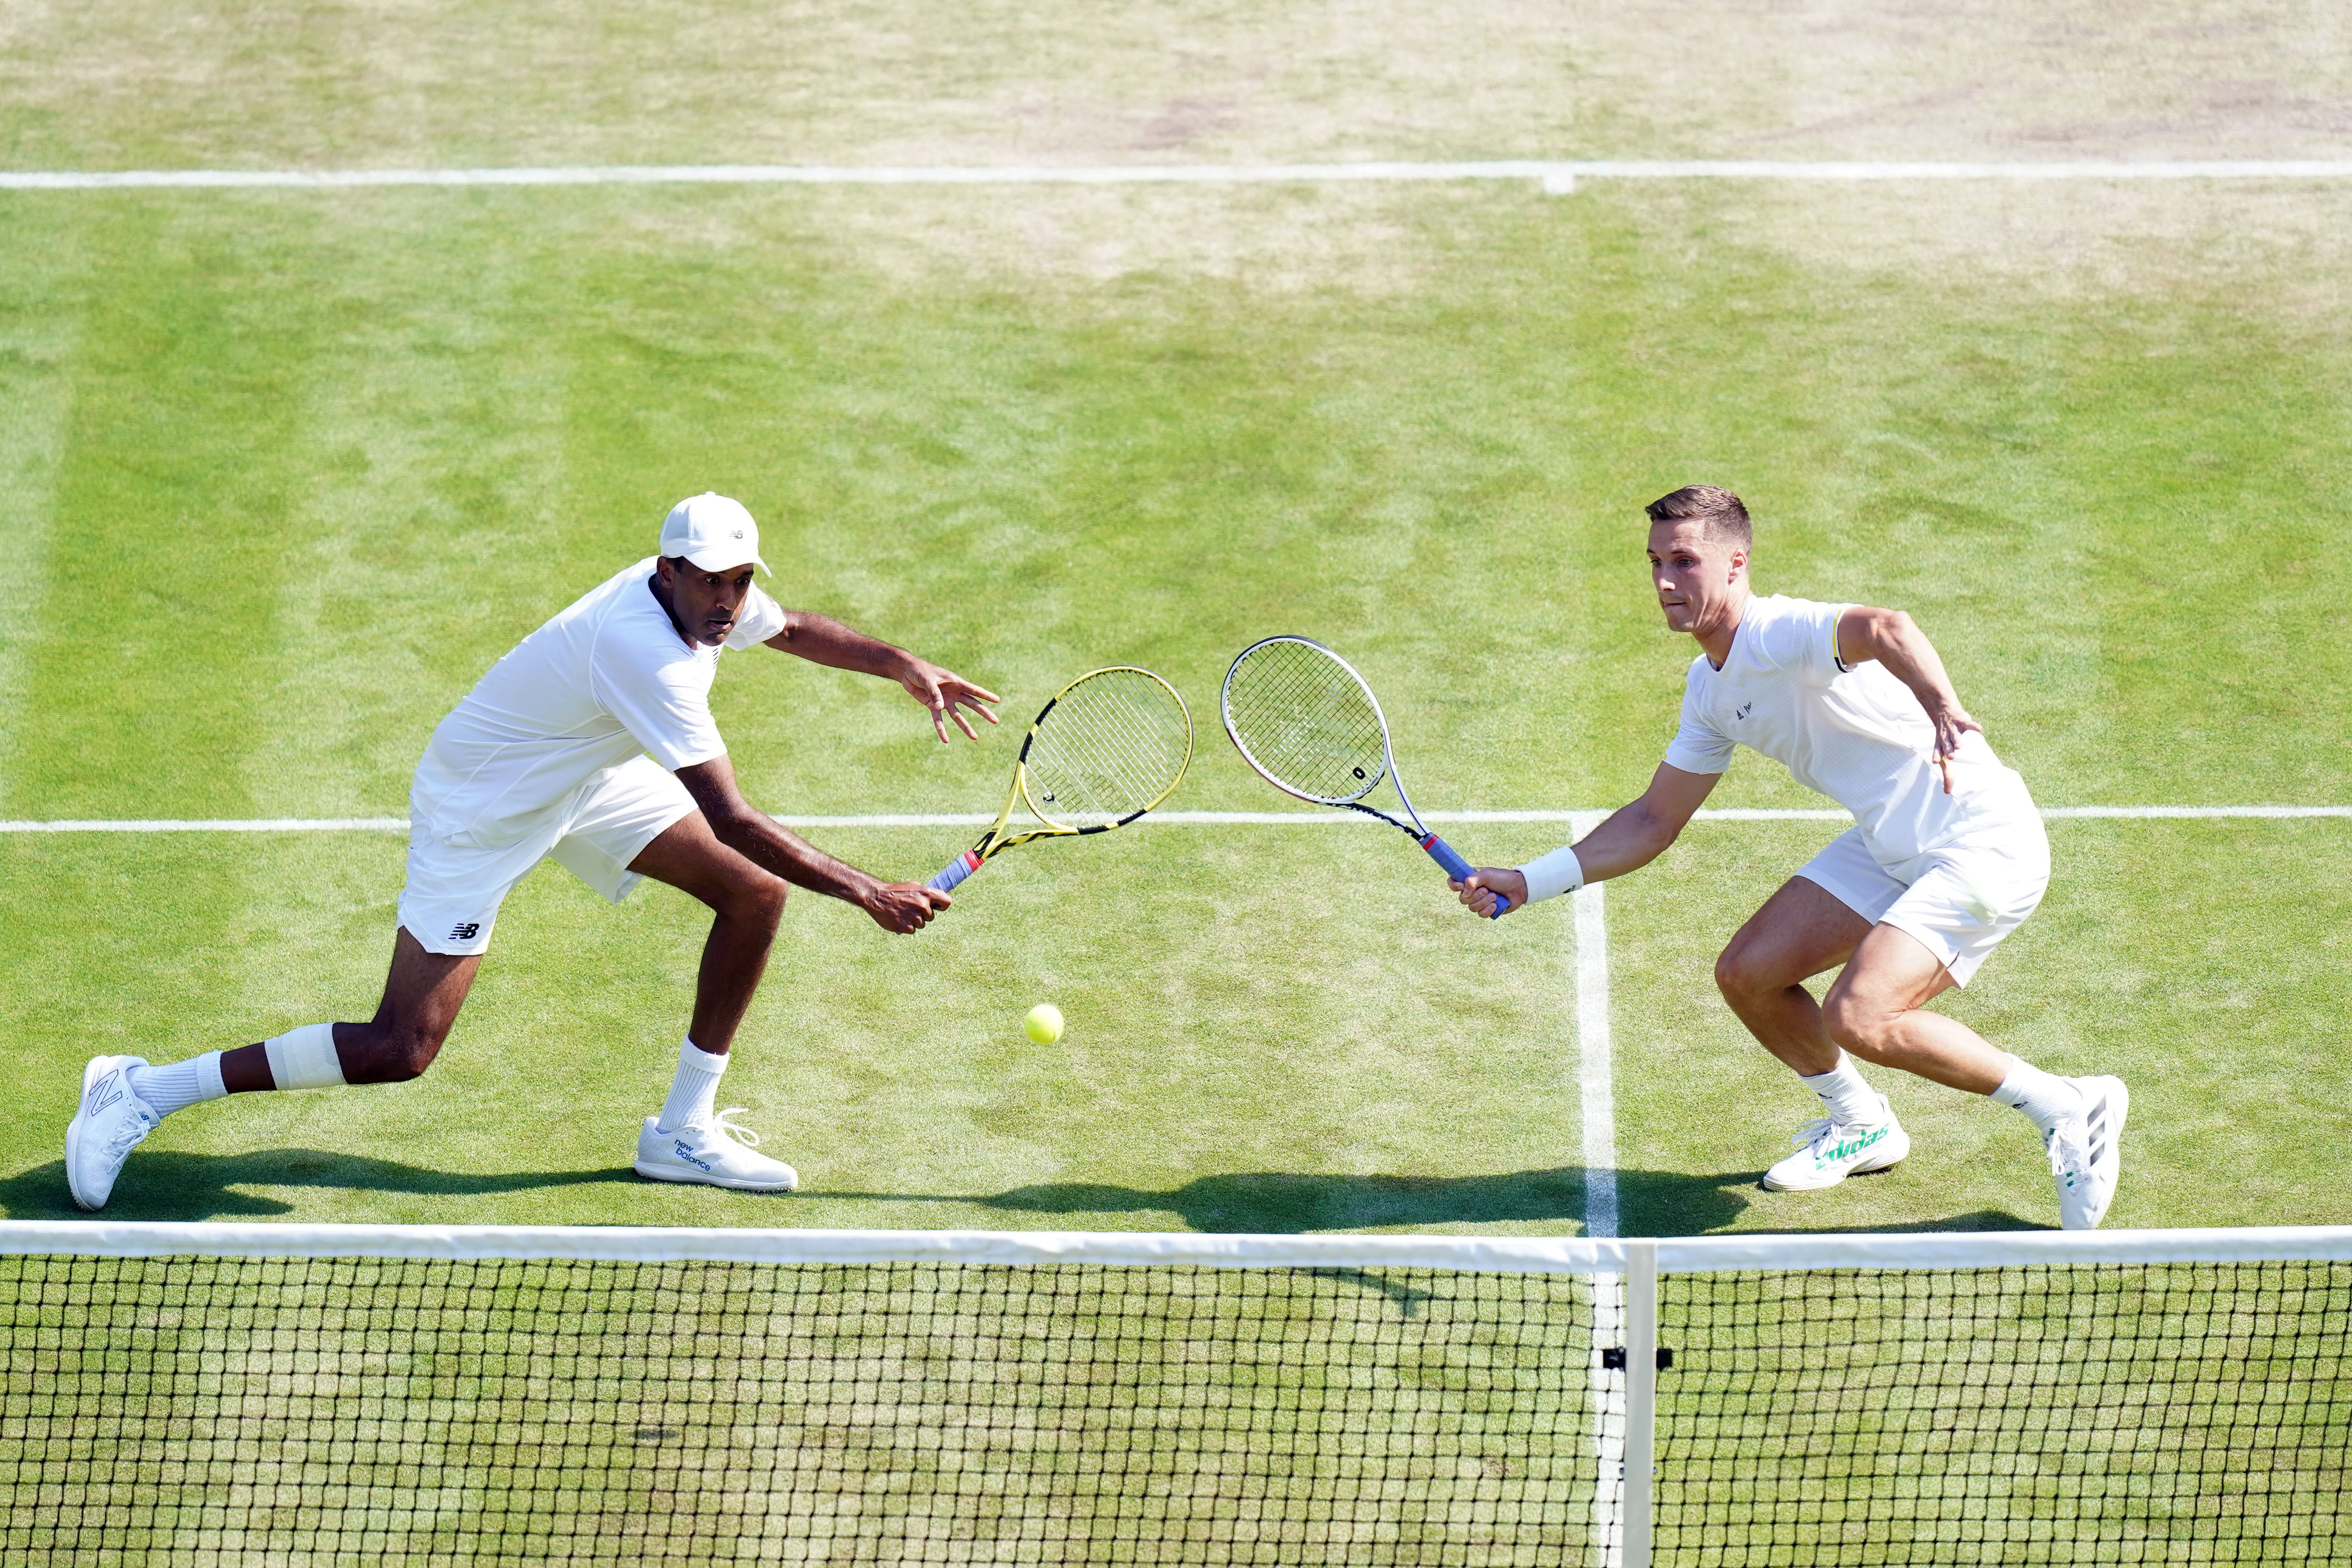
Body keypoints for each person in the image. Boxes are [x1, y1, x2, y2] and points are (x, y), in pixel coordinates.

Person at [66, 493, 998, 1209]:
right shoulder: (648, 654)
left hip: (580, 778)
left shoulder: (713, 601)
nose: (728, 601)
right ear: (668, 571)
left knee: (754, 897)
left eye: (739, 578)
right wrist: (868, 891)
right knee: (402, 1045)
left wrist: (899, 664)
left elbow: (789, 629)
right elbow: (729, 815)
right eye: (710, 581)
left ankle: (681, 1133)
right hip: (484, 807)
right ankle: (140, 1089)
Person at [1455, 486, 2127, 1229]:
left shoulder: (1779, 632)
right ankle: (1860, 1124)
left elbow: (1886, 626)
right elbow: (1652, 819)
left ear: (1735, 563)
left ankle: (2069, 1105)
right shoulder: (1707, 689)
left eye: (1685, 561)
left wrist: (1940, 705)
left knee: (1862, 1014)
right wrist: (1527, 882)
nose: (1664, 583)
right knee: (1748, 974)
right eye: (1654, 562)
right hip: (1889, 841)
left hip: (1980, 844)